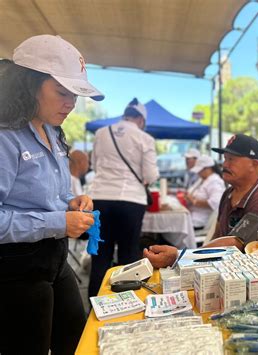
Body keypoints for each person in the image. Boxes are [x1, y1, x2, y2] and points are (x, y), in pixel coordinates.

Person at [0, 34, 103, 355]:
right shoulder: (6, 137)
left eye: (75, 94)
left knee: (77, 339)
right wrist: (58, 222)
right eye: (61, 92)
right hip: (16, 269)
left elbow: (48, 199)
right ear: (29, 85)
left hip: (55, 260)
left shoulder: (53, 131)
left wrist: (71, 203)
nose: (71, 103)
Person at [144, 134, 258, 268]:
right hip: (232, 269)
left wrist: (180, 257)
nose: (225, 165)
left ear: (254, 164)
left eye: (232, 159)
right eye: (225, 158)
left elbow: (234, 244)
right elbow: (219, 234)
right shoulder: (229, 193)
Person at [87, 98, 159, 297]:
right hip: (131, 200)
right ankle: (125, 305)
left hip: (100, 197)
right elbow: (151, 175)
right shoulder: (145, 138)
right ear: (141, 120)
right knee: (128, 255)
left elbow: (93, 164)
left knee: (100, 256)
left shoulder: (101, 133)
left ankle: (94, 305)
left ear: (125, 115)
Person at [185, 155, 225, 229]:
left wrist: (194, 201)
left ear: (208, 168)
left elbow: (215, 203)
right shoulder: (202, 179)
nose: (198, 173)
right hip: (191, 215)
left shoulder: (215, 181)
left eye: (199, 171)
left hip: (199, 221)